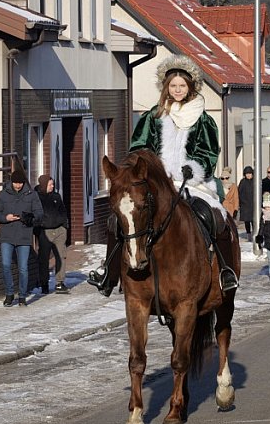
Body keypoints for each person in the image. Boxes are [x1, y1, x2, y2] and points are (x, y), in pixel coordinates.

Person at [88, 55, 237, 294]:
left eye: (182, 86)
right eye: (173, 86)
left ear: (190, 87)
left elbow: (209, 152)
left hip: (193, 181)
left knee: (214, 215)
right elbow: (138, 148)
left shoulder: (203, 119)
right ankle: (110, 271)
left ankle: (224, 272)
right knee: (119, 218)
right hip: (156, 180)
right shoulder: (152, 117)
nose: (177, 90)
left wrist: (193, 168)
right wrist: (150, 168)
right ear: (166, 87)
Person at [0, 168, 43, 307]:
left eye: (20, 183)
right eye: (15, 183)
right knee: (6, 265)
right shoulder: (3, 195)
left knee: (23, 268)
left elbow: (39, 213)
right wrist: (5, 218)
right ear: (11, 182)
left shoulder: (31, 195)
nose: (18, 185)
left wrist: (28, 218)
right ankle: (9, 294)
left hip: (24, 235)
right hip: (7, 236)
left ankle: (22, 296)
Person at [35, 175, 68, 294]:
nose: (52, 186)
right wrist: (38, 229)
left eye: (53, 184)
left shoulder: (56, 196)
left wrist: (64, 226)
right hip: (45, 232)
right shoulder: (36, 198)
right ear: (44, 185)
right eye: (50, 185)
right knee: (44, 258)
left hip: (59, 230)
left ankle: (60, 282)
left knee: (61, 256)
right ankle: (44, 283)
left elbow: (63, 211)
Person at [238, 166, 255, 241]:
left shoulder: (255, 181)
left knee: (254, 220)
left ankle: (255, 234)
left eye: (250, 173)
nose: (248, 175)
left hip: (254, 205)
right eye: (247, 174)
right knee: (247, 221)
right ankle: (248, 234)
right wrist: (242, 201)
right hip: (245, 205)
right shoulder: (243, 182)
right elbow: (239, 193)